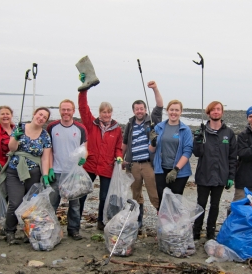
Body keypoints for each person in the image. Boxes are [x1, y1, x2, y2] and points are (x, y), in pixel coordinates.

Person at [77, 72, 123, 231]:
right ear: (100, 113)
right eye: (104, 112)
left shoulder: (117, 129)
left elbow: (118, 146)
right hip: (89, 164)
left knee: (104, 197)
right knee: (81, 194)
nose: (106, 114)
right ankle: (76, 222)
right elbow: (83, 108)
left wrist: (119, 157)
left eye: (109, 112)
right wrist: (83, 90)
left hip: (107, 166)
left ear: (111, 113)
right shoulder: (91, 124)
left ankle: (101, 222)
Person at [0, 107, 52, 244]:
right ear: (34, 114)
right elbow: (11, 148)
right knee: (15, 202)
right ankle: (10, 231)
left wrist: (45, 175)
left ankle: (28, 231)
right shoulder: (20, 127)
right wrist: (16, 137)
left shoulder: (45, 135)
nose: (41, 118)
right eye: (40, 114)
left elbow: (45, 158)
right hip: (15, 171)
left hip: (34, 173)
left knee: (31, 205)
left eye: (44, 117)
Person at [192, 101, 237, 240]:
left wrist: (231, 176)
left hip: (220, 176)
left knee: (215, 205)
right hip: (203, 174)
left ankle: (211, 232)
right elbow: (197, 153)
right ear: (209, 113)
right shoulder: (203, 131)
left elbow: (232, 157)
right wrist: (198, 140)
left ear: (222, 112)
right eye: (213, 110)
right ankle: (196, 232)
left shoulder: (228, 133)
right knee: (201, 204)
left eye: (218, 109)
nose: (216, 112)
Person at [122, 80, 163, 232]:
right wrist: (122, 159)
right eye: (136, 109)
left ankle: (163, 220)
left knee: (154, 194)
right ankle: (138, 222)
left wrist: (155, 89)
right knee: (136, 194)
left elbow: (159, 106)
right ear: (133, 111)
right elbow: (125, 143)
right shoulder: (130, 124)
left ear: (145, 110)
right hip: (133, 164)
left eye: (141, 108)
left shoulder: (152, 120)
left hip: (148, 164)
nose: (139, 111)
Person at [47, 99, 88, 240]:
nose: (66, 112)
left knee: (75, 204)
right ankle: (49, 228)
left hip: (73, 173)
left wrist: (84, 158)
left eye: (68, 110)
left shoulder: (80, 128)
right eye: (63, 109)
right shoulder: (52, 127)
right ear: (60, 111)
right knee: (52, 203)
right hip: (56, 171)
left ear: (73, 111)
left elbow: (85, 149)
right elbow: (48, 150)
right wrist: (49, 170)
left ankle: (73, 229)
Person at [148, 100, 193, 207]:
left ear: (181, 112)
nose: (174, 112)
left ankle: (175, 223)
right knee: (162, 199)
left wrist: (176, 170)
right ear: (167, 111)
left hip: (180, 171)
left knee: (175, 201)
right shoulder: (159, 127)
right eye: (171, 109)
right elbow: (151, 150)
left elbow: (187, 152)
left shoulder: (185, 130)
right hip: (161, 169)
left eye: (177, 110)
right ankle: (163, 223)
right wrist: (153, 142)